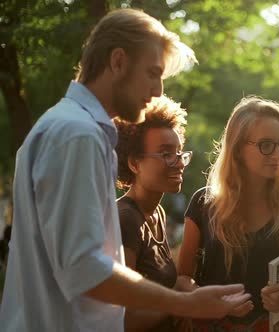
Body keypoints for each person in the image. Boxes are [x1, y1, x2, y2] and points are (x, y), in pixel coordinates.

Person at [0, 9, 249, 331]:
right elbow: (83, 267)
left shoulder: (66, 126)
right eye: (152, 73)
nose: (158, 90)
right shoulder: (78, 134)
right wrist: (185, 303)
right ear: (118, 62)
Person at [177, 96, 279, 331]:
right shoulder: (204, 203)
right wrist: (211, 300)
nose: (278, 154)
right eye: (266, 145)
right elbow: (182, 279)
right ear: (238, 149)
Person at [115, 96, 200, 331]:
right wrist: (183, 301)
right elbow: (124, 320)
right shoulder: (126, 219)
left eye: (180, 152)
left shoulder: (157, 213)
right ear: (134, 163)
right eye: (166, 154)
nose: (179, 162)